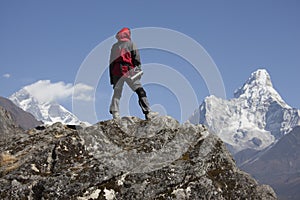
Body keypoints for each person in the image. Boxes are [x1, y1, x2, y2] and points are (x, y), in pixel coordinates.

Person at [109, 27, 156, 120]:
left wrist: (112, 77)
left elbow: (111, 62)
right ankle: (148, 112)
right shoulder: (131, 44)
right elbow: (136, 58)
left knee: (117, 92)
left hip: (116, 71)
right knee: (140, 90)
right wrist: (138, 70)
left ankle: (115, 112)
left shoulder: (114, 46)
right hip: (129, 70)